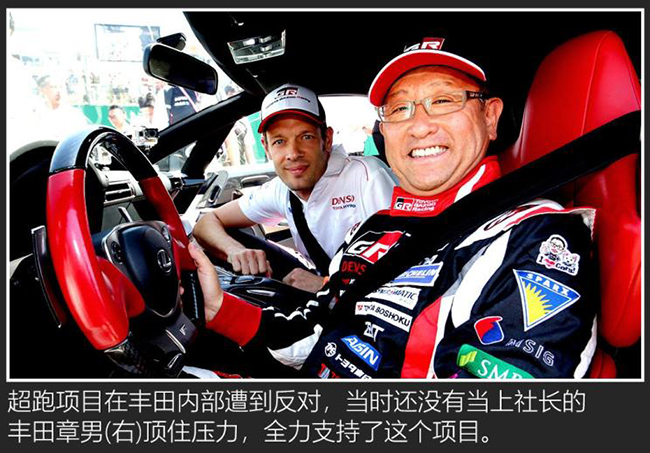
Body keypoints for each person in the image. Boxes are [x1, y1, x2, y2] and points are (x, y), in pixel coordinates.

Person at [190, 40, 597, 379]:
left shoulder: (533, 236)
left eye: (443, 100)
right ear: (384, 131)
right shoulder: (372, 229)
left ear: (490, 117)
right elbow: (314, 331)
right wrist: (218, 308)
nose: (419, 125)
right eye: (400, 109)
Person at [193, 83, 398, 292]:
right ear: (266, 147)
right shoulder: (281, 189)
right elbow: (206, 223)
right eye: (279, 141)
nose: (293, 153)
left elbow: (405, 268)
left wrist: (326, 287)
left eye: (306, 137)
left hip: (365, 297)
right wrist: (235, 251)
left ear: (326, 140)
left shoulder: (368, 177)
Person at [33, 75, 89, 141]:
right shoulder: (35, 114)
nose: (58, 91)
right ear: (42, 90)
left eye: (61, 87)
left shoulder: (74, 114)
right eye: (54, 87)